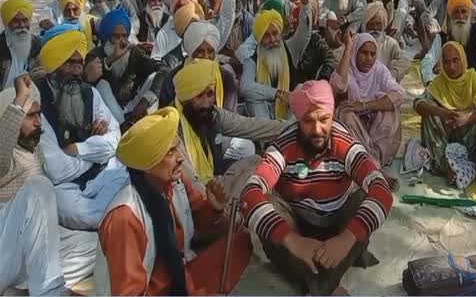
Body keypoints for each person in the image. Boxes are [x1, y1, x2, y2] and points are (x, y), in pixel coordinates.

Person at [241, 80, 393, 296]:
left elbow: (381, 190)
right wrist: (292, 240)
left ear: (332, 115)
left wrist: (346, 239)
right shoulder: (282, 146)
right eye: (308, 121)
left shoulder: (345, 142)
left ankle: (316, 285)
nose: (317, 130)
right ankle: (328, 286)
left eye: (324, 120)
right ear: (297, 120)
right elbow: (249, 195)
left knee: (364, 198)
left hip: (337, 223)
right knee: (269, 206)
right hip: (297, 228)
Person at [94, 107, 252, 295]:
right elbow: (128, 292)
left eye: (177, 147)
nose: (179, 158)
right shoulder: (124, 216)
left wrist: (214, 208)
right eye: (170, 152)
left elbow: (199, 221)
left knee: (242, 242)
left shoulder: (174, 181)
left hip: (180, 274)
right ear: (148, 164)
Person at [0, 74, 97, 294]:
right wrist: (20, 99)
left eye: (39, 114)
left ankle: (23, 288)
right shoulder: (5, 154)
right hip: (4, 248)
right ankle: (47, 290)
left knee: (99, 245)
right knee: (39, 187)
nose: (38, 122)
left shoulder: (34, 149)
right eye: (30, 116)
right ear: (11, 118)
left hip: (30, 258)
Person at [34, 26, 128, 230]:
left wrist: (79, 149)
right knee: (73, 210)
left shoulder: (90, 93)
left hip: (105, 173)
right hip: (68, 188)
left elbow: (116, 140)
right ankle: (114, 214)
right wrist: (97, 150)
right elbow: (57, 171)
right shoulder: (38, 106)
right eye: (70, 64)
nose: (77, 70)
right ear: (54, 67)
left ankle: (115, 212)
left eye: (79, 64)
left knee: (134, 178)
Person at [171, 58, 284, 183]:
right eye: (199, 96)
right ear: (185, 98)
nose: (206, 103)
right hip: (189, 190)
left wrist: (293, 127)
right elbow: (188, 180)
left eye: (209, 94)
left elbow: (251, 126)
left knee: (255, 162)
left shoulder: (212, 114)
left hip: (213, 181)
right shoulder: (172, 129)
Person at [331, 32, 405, 185]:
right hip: (353, 127)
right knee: (345, 112)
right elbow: (338, 85)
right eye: (364, 53)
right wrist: (347, 50)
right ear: (355, 52)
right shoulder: (347, 68)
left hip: (372, 126)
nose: (369, 58)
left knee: (392, 110)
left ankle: (374, 160)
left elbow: (398, 94)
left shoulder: (379, 70)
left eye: (372, 54)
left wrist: (366, 106)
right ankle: (372, 167)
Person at [414, 42, 476, 187]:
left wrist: (466, 118)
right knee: (429, 115)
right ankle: (445, 165)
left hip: (471, 138)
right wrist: (442, 112)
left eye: (456, 60)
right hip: (447, 136)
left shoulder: (474, 80)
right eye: (446, 62)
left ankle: (473, 162)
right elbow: (418, 103)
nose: (451, 67)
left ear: (463, 60)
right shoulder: (439, 82)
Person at [91, 9, 166, 123]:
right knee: (102, 85)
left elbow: (163, 68)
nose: (121, 41)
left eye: (124, 36)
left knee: (155, 76)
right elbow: (88, 80)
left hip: (133, 107)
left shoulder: (133, 52)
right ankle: (123, 126)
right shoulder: (95, 54)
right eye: (116, 36)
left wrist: (147, 99)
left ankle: (145, 121)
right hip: (107, 113)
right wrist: (111, 59)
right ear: (107, 37)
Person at [361, 2, 410, 82]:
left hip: (382, 82)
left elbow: (405, 62)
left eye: (379, 24)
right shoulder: (357, 41)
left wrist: (392, 74)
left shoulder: (390, 43)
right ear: (366, 24)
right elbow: (337, 57)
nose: (375, 28)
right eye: (371, 24)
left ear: (383, 25)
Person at [1, 0, 41, 90]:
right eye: (16, 21)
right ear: (6, 23)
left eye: (25, 20)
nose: (22, 25)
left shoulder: (36, 45)